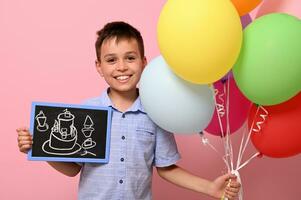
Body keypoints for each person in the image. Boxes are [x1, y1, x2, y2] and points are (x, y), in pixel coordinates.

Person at [17, 21, 240, 200]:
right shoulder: (88, 112)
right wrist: (40, 149)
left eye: (130, 58)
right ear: (99, 67)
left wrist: (211, 188)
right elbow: (73, 169)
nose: (122, 67)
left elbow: (166, 168)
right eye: (111, 60)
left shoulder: (156, 112)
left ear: (143, 62)